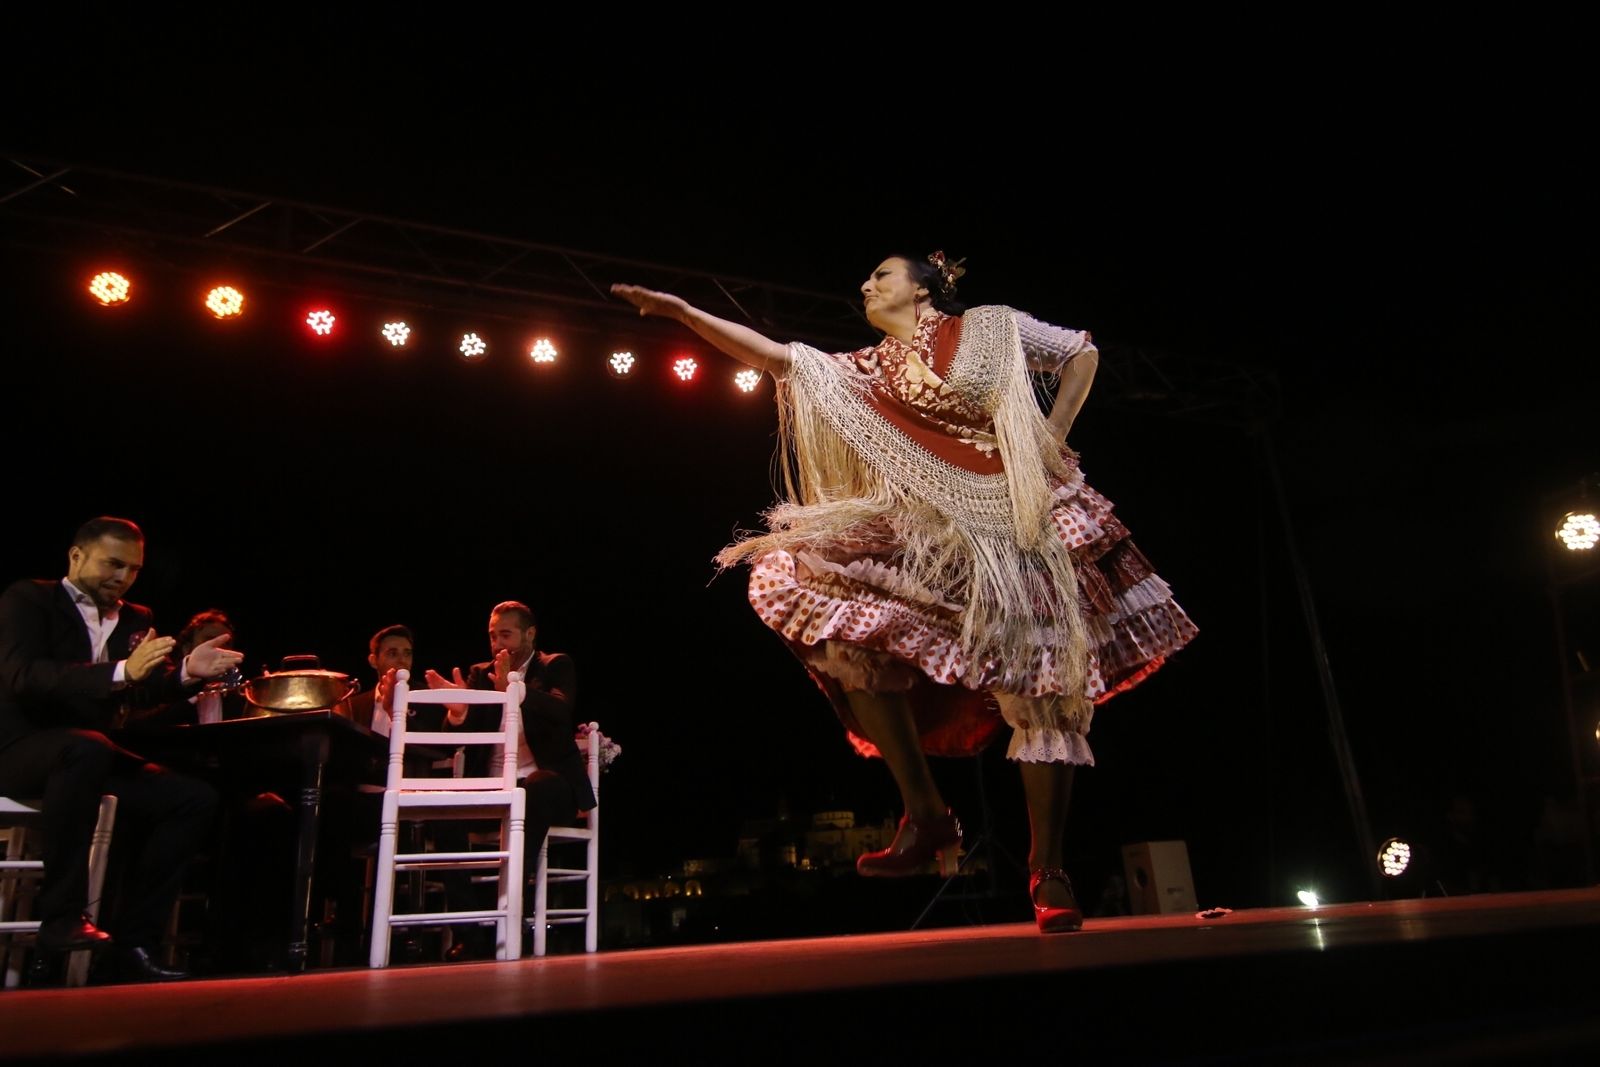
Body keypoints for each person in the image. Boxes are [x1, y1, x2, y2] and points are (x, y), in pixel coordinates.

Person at [612, 254, 1196, 933]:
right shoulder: (870, 368)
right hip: (933, 523)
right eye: (865, 278)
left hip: (1016, 513)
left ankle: (1050, 868)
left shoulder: (991, 326)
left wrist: (1048, 438)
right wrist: (684, 313)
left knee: (1043, 688)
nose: (865, 285)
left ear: (922, 287)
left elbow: (1079, 354)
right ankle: (924, 813)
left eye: (881, 275)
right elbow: (779, 359)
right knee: (838, 613)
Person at [0, 517, 243, 979]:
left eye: (132, 570)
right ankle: (62, 916)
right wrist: (119, 674)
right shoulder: (27, 599)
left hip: (87, 757)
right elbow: (25, 677)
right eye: (113, 564)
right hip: (17, 749)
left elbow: (140, 690)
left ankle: (134, 945)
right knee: (86, 747)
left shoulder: (137, 618)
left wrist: (185, 673)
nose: (122, 578)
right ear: (76, 556)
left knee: (192, 800)